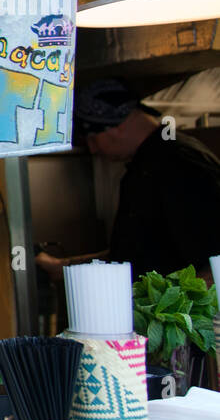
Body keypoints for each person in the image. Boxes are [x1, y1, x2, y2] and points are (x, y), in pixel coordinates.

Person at [36, 77, 220, 281]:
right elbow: (130, 255)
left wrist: (176, 307)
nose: (93, 149)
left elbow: (214, 260)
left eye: (92, 138)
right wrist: (63, 267)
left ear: (116, 127)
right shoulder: (147, 163)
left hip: (177, 312)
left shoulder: (179, 163)